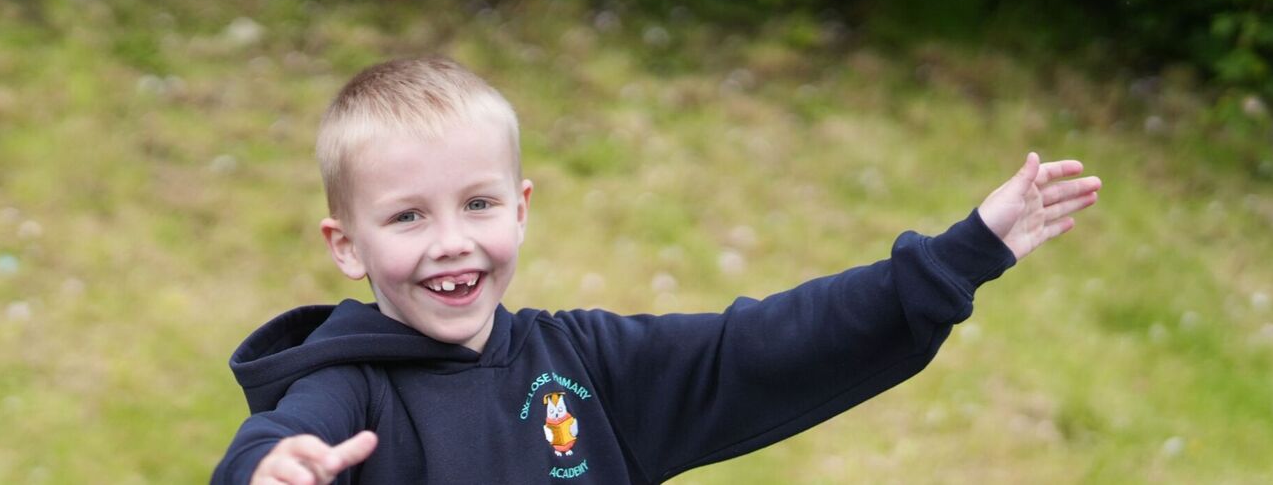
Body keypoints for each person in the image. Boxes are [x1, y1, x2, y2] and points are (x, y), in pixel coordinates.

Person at [213, 56, 1101, 484]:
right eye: (408, 216)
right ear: (347, 245)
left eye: (477, 205)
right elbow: (281, 437)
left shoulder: (585, 370)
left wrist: (956, 259)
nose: (452, 241)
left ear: (521, 207)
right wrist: (269, 469)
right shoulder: (349, 388)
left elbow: (761, 348)